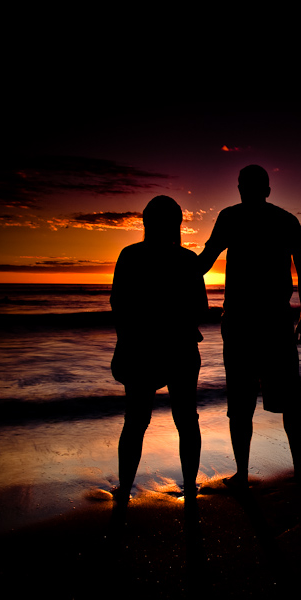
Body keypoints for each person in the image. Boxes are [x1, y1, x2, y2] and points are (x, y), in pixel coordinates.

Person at [197, 164, 301, 489]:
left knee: (245, 400)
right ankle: (296, 466)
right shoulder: (282, 220)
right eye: (242, 185)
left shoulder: (234, 217)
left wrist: (173, 269)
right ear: (266, 190)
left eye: (245, 185)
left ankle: (245, 473)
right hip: (266, 320)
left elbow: (204, 261)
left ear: (260, 189)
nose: (243, 190)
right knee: (280, 398)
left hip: (248, 321)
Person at [110, 195, 208, 506]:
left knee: (135, 422)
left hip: (140, 349)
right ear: (177, 225)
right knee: (186, 420)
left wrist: (124, 342)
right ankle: (190, 488)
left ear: (146, 222)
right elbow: (201, 308)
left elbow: (118, 305)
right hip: (181, 348)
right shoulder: (188, 260)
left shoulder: (130, 256)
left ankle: (125, 489)